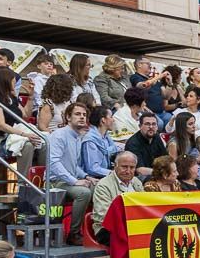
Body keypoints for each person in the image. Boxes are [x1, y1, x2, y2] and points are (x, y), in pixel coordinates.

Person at [47, 102, 97, 246]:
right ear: (68, 117)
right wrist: (74, 181)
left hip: (69, 180)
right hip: (55, 182)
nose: (82, 117)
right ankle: (74, 234)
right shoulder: (59, 135)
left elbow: (74, 166)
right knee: (84, 193)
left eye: (84, 115)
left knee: (98, 187)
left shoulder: (77, 136)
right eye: (77, 114)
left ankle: (96, 230)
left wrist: (86, 177)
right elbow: (53, 163)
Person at [0, 67, 41, 178]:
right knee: (28, 145)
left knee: (43, 143)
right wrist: (25, 135)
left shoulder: (12, 97)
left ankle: (42, 179)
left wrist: (30, 97)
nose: (15, 82)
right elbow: (1, 125)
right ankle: (24, 183)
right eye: (12, 79)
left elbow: (25, 115)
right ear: (5, 80)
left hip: (15, 136)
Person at [91, 152, 143, 244]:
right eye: (124, 167)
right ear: (115, 166)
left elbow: (144, 207)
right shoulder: (103, 185)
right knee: (135, 241)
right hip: (107, 229)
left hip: (134, 226)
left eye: (132, 167)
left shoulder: (136, 182)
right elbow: (103, 215)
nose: (128, 171)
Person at [125, 112, 169, 180]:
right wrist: (162, 173)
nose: (151, 127)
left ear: (157, 126)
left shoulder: (156, 136)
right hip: (139, 178)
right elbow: (139, 170)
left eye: (154, 124)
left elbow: (165, 158)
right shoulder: (132, 143)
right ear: (140, 126)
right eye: (147, 124)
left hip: (156, 173)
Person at [82, 106, 119, 180]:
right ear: (103, 120)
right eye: (111, 117)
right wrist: (115, 174)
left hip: (106, 174)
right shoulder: (90, 140)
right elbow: (92, 168)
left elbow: (115, 149)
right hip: (94, 178)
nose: (113, 120)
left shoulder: (106, 136)